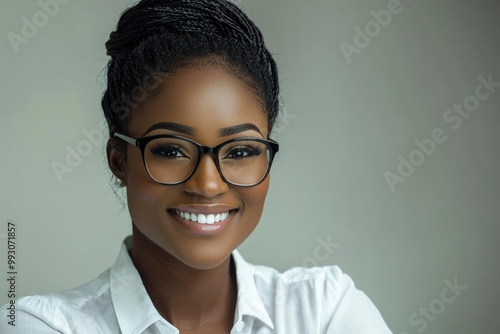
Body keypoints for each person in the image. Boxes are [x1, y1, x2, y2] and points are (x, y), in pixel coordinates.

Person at [1, 0, 392, 333]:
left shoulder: (323, 313)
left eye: (239, 152)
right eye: (171, 150)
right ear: (119, 160)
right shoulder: (46, 326)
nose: (207, 184)